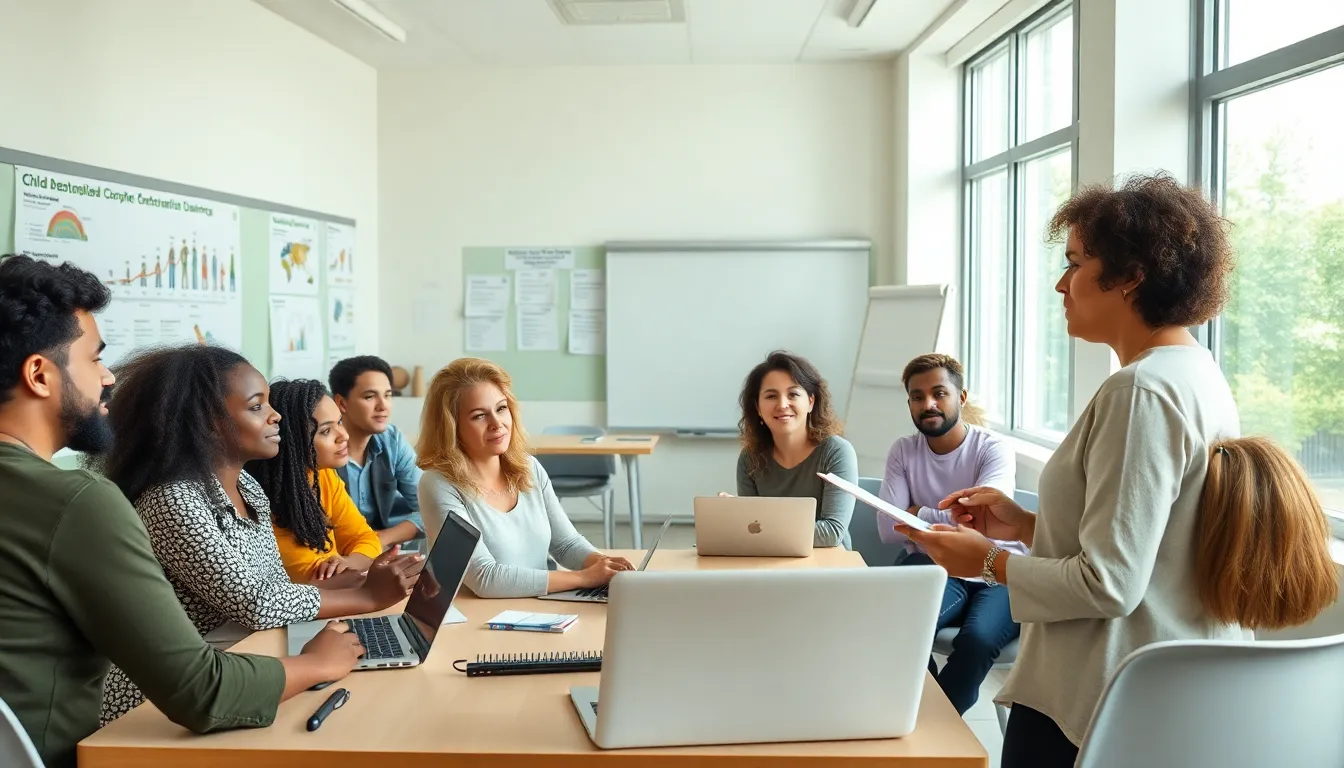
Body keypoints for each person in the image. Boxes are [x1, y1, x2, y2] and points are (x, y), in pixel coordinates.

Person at [894, 174, 1339, 768]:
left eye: (1076, 263)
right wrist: (1028, 526)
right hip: (1160, 693)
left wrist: (986, 561)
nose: (1061, 283)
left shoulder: (1142, 392)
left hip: (1098, 701)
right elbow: (1155, 543)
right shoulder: (1195, 371)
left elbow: (1108, 583)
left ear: (1132, 275)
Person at [0, 255, 364, 768]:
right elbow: (202, 692)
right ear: (40, 374)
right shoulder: (75, 501)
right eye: (94, 359)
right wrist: (316, 663)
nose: (107, 378)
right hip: (88, 750)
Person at [93, 345, 425, 725]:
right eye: (257, 407)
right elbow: (256, 603)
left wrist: (349, 583)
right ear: (206, 424)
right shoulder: (174, 499)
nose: (276, 415)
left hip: (242, 659)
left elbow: (270, 583)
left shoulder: (247, 487)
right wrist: (365, 595)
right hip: (160, 703)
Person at [877, 353, 1024, 716]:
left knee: (977, 640)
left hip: (999, 567)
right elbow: (887, 529)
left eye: (939, 393)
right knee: (900, 624)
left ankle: (936, 724)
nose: (928, 404)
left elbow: (982, 516)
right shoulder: (903, 450)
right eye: (917, 396)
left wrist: (917, 514)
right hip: (937, 563)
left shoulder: (993, 447)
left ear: (961, 397)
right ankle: (917, 713)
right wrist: (953, 514)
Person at [416, 357, 633, 598]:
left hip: (537, 610)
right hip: (479, 622)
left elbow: (566, 544)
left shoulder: (529, 468)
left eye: (501, 408)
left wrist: (604, 564)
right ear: (451, 426)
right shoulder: (438, 484)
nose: (497, 424)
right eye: (479, 415)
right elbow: (484, 578)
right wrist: (584, 577)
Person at [246, 379, 386, 585]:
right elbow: (312, 580)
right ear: (288, 440)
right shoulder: (259, 497)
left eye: (339, 423)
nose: (344, 436)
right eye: (326, 431)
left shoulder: (323, 475)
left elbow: (365, 538)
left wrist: (349, 563)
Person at [734, 350, 858, 548]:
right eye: (771, 396)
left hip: (827, 567)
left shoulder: (836, 451)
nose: (782, 405)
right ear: (757, 407)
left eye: (793, 394)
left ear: (810, 401)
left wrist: (760, 527)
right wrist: (734, 516)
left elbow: (831, 533)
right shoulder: (750, 458)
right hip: (770, 563)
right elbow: (752, 532)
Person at [328, 355, 424, 550]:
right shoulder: (323, 448)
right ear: (342, 403)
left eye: (388, 395)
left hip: (381, 551)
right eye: (370, 397)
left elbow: (432, 506)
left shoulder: (392, 440)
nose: (383, 406)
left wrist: (383, 538)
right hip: (337, 557)